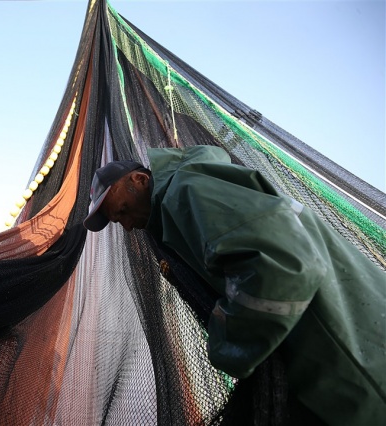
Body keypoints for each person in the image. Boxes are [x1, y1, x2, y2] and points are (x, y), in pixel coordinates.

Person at [83, 145, 386, 425]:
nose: (126, 225)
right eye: (116, 221)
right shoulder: (182, 203)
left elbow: (279, 267)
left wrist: (223, 342)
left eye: (121, 210)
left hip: (357, 365)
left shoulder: (187, 190)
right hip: (337, 362)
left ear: (139, 180)